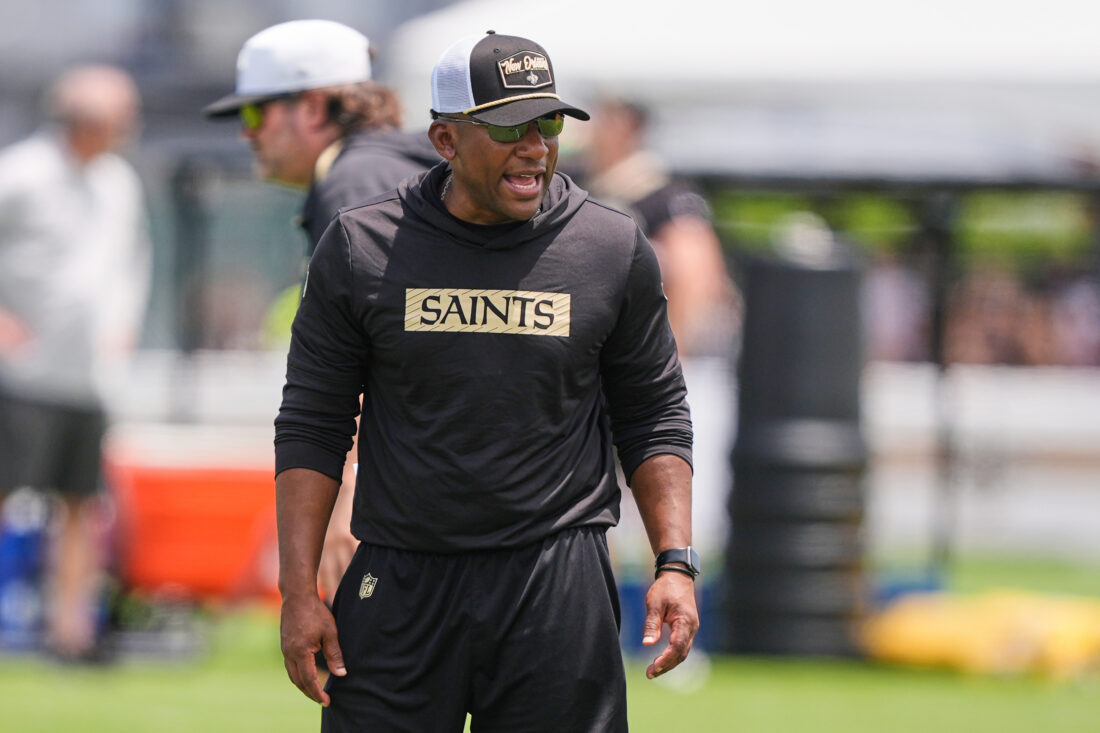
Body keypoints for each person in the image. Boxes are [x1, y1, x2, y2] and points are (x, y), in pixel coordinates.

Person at [273, 31, 699, 732]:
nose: (534, 147)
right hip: (400, 581)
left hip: (556, 582)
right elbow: (312, 424)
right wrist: (298, 591)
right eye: (507, 127)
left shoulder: (610, 247)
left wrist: (675, 562)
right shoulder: (360, 245)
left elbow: (654, 414)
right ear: (445, 139)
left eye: (548, 123)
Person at [203, 19, 439, 602]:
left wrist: (347, 493)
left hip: (417, 485)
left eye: (254, 112)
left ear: (311, 107)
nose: (245, 133)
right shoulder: (389, 168)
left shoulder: (355, 183)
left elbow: (379, 345)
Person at [0, 64, 150, 660]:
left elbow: (133, 259)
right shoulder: (21, 174)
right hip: (21, 373)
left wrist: (123, 324)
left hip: (88, 376)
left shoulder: (119, 183)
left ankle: (72, 635)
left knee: (81, 505)